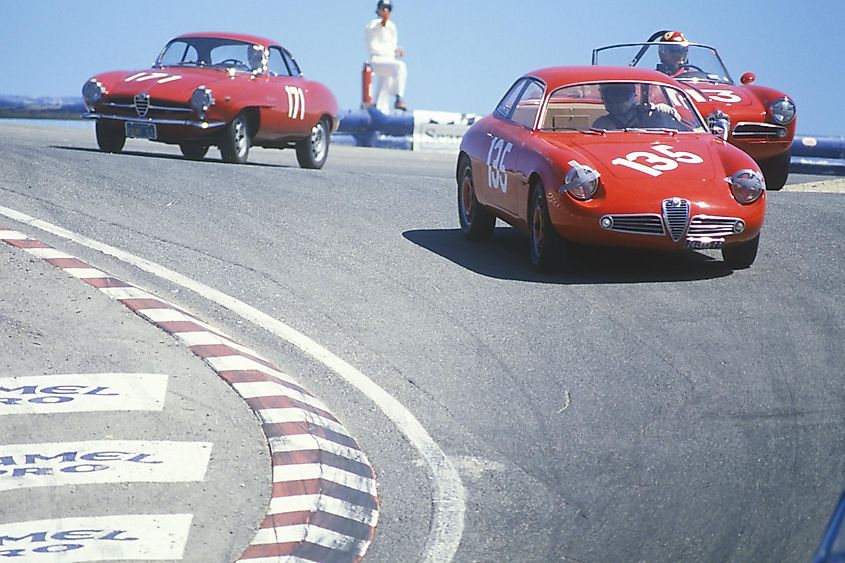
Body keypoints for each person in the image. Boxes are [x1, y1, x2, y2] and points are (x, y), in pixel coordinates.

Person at [365, 0, 408, 111]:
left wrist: (397, 51)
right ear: (378, 9)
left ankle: (377, 109)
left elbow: (393, 45)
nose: (385, 10)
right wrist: (382, 21)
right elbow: (376, 27)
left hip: (389, 61)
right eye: (383, 8)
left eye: (388, 8)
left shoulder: (392, 27)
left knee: (382, 98)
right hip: (378, 60)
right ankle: (399, 98)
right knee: (400, 67)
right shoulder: (373, 24)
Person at [592, 83, 682, 131]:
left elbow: (682, 133)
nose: (618, 97)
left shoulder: (658, 113)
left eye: (622, 93)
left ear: (633, 93)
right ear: (604, 96)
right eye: (613, 94)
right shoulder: (602, 125)